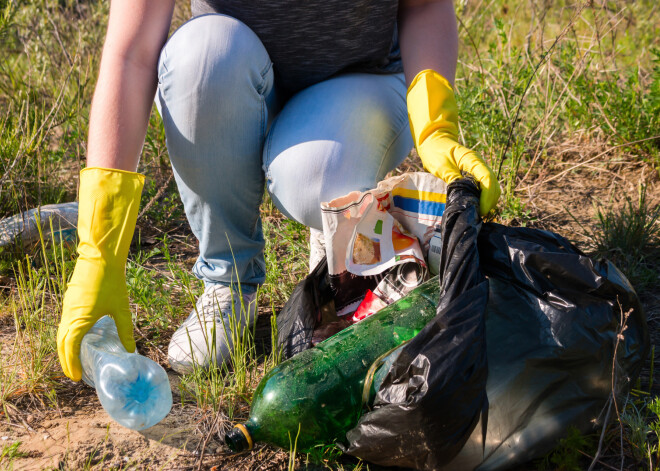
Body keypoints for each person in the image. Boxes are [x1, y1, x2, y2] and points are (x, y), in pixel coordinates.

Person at [56, 0, 500, 381]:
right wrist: (99, 251)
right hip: (228, 76)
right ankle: (228, 280)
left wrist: (435, 124)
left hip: (361, 79)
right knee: (201, 58)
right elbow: (132, 52)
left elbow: (423, 6)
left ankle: (334, 235)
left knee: (315, 178)